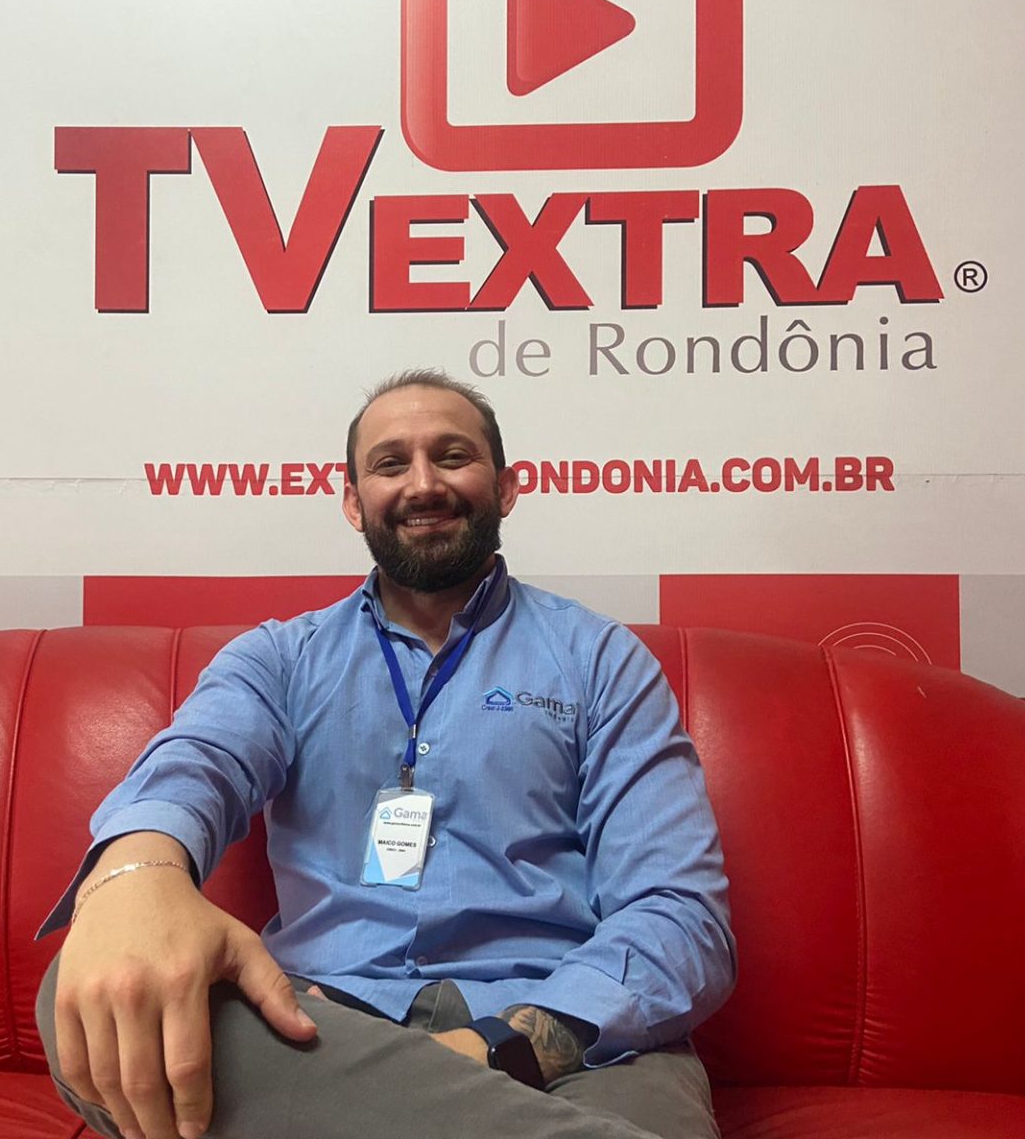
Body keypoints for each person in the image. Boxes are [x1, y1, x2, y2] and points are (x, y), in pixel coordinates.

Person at [36, 370, 736, 1139]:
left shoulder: (601, 660)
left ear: (506, 488)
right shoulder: (281, 660)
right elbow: (193, 767)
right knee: (88, 982)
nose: (423, 484)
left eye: (453, 456)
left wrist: (496, 1047)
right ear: (353, 501)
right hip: (321, 1028)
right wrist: (137, 874)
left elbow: (680, 916)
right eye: (391, 463)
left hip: (567, 1041)